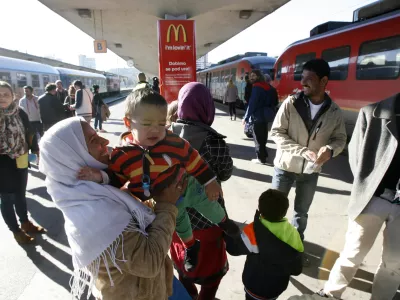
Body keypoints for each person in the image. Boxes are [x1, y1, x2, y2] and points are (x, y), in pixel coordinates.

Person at [80, 88, 232, 273]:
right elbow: (116, 177)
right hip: (165, 201)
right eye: (147, 124)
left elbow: (194, 159)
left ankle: (229, 227)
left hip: (188, 186)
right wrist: (99, 176)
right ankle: (191, 247)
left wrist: (210, 182)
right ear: (128, 122)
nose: (156, 130)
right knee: (181, 225)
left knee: (211, 206)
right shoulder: (122, 155)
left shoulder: (173, 142)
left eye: (162, 124)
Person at [38, 117, 191, 300]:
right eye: (94, 141)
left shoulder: (94, 190)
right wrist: (166, 205)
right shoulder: (95, 216)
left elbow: (137, 222)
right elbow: (148, 261)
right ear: (72, 158)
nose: (106, 141)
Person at [317, 93, 400, 300]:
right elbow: (356, 159)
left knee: (395, 263)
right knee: (353, 253)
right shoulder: (371, 113)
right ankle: (330, 294)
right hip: (373, 197)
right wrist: (368, 185)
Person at [270, 59, 347, 250]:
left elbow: (340, 139)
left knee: (301, 213)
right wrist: (302, 151)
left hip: (311, 172)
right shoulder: (291, 103)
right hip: (284, 167)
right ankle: (270, 246)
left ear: (323, 81)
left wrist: (330, 151)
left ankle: (295, 247)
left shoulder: (334, 111)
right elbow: (276, 133)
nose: (302, 83)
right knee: (274, 210)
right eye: (302, 78)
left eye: (309, 79)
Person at [169, 82, 234, 300]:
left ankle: (189, 294)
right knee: (211, 271)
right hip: (210, 220)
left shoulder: (166, 136)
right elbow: (225, 173)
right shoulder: (214, 142)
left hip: (177, 217)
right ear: (207, 107)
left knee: (185, 262)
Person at [225, 189, 304, 300]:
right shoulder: (293, 233)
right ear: (285, 211)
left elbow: (235, 249)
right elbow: (296, 267)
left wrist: (226, 234)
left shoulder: (253, 231)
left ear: (260, 209)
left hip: (253, 286)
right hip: (276, 288)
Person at [0, 81, 46, 244]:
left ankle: (25, 223)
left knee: (20, 194)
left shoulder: (20, 112)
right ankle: (16, 231)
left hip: (21, 157)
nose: (2, 97)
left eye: (6, 94)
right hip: (2, 162)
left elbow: (30, 131)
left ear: (13, 96)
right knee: (6, 198)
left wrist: (35, 150)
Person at [242, 69, 276, 164]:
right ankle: (264, 155)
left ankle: (261, 159)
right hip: (265, 115)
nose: (251, 77)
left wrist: (246, 117)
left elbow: (252, 103)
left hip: (257, 116)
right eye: (250, 75)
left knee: (257, 138)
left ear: (258, 76)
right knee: (263, 137)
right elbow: (275, 101)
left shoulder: (256, 87)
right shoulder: (268, 86)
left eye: (254, 75)